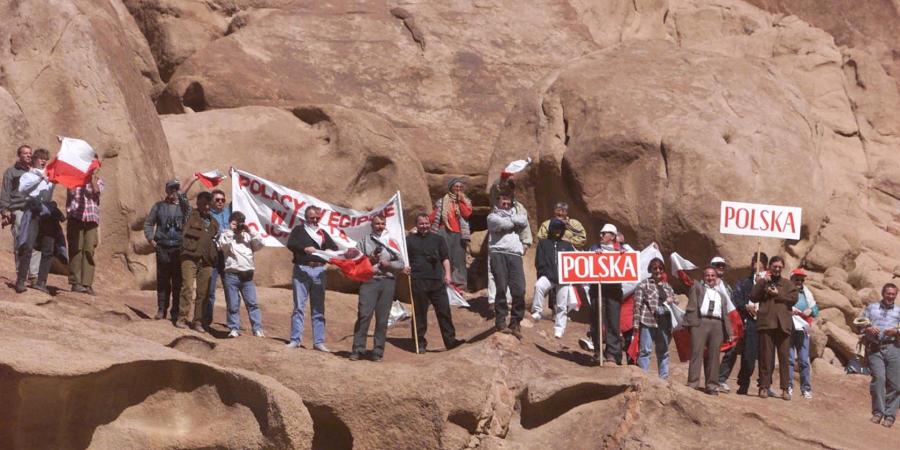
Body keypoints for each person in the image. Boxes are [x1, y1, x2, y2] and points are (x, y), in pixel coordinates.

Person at [404, 213, 464, 353]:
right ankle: (419, 343)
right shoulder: (409, 240)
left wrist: (448, 274)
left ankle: (450, 341)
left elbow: (445, 258)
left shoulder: (438, 239)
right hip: (418, 280)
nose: (424, 226)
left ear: (430, 224)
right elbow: (403, 258)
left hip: (437, 280)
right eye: (421, 224)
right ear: (416, 225)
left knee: (444, 311)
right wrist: (404, 268)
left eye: (426, 223)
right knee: (419, 313)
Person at [350, 214, 404, 361]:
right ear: (371, 225)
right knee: (364, 315)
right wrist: (370, 257)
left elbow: (401, 264)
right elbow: (354, 260)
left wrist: (390, 265)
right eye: (377, 224)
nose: (380, 226)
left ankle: (377, 352)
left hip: (387, 281)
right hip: (369, 281)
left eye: (382, 223)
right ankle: (358, 349)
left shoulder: (391, 242)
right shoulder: (364, 241)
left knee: (382, 319)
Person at [286, 206, 338, 351]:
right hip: (302, 269)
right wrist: (304, 249)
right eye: (312, 218)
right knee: (299, 307)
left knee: (318, 307)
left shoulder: (322, 233)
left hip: (319, 270)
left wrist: (327, 252)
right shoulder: (299, 230)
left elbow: (333, 249)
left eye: (317, 218)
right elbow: (291, 244)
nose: (314, 220)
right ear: (306, 217)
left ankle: (319, 341)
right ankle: (295, 340)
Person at [14, 149, 64, 294]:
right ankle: (21, 281)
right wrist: (40, 178)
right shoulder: (28, 175)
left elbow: (60, 167)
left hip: (47, 213)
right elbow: (23, 189)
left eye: (45, 159)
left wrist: (63, 148)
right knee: (27, 245)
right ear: (34, 159)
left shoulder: (50, 176)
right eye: (41, 158)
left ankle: (41, 282)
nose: (43, 161)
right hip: (33, 211)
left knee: (48, 249)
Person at [719, 252, 768, 395]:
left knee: (757, 357)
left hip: (760, 324)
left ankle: (754, 384)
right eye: (754, 261)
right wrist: (746, 306)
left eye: (759, 262)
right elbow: (736, 299)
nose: (756, 265)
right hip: (744, 322)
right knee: (739, 354)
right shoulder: (743, 283)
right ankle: (731, 381)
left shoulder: (769, 283)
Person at [144, 179, 193, 320]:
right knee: (163, 281)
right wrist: (151, 239)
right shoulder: (159, 207)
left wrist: (192, 179)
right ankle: (161, 310)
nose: (174, 192)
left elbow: (189, 215)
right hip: (162, 248)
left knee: (178, 281)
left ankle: (175, 311)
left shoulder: (184, 208)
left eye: (176, 189)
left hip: (178, 248)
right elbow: (148, 223)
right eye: (171, 189)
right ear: (166, 191)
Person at [751, 256, 798, 400]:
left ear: (782, 268)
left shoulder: (788, 284)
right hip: (766, 323)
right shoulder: (763, 281)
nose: (777, 269)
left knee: (784, 358)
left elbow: (793, 299)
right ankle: (764, 387)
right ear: (770, 267)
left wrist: (779, 295)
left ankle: (785, 389)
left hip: (783, 325)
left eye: (779, 267)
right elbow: (753, 297)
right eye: (774, 266)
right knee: (766, 357)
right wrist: (761, 283)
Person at [685, 267, 735, 395]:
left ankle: (712, 385)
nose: (710, 278)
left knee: (714, 356)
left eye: (713, 276)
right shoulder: (698, 288)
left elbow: (725, 315)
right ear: (703, 277)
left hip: (717, 324)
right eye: (707, 275)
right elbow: (688, 280)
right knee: (697, 353)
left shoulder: (722, 296)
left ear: (717, 278)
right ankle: (693, 383)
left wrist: (730, 332)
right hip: (700, 322)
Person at [857, 283, 900, 428]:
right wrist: (868, 328)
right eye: (888, 293)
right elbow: (858, 322)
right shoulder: (871, 308)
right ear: (883, 293)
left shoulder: (899, 311)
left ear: (896, 295)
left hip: (894, 348)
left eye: (893, 294)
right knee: (879, 379)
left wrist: (896, 332)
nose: (890, 296)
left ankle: (890, 415)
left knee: (895, 384)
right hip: (875, 348)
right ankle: (878, 413)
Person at [487, 193, 529, 339]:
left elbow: (523, 220)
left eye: (508, 203)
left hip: (515, 255)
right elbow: (502, 224)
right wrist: (514, 222)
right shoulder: (492, 217)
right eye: (503, 203)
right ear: (498, 203)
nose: (506, 205)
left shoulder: (518, 213)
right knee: (501, 288)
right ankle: (500, 321)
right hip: (498, 253)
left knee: (519, 289)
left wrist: (513, 220)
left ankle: (516, 322)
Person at [176, 191, 219, 332]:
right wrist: (194, 178)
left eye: (209, 204)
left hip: (207, 261)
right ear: (199, 204)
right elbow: (182, 197)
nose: (206, 207)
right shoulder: (190, 214)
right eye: (204, 204)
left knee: (203, 293)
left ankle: (198, 321)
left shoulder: (214, 223)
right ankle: (182, 318)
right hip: (190, 257)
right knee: (187, 287)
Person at [218, 211, 264, 338]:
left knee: (252, 303)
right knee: (233, 304)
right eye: (235, 223)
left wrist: (249, 230)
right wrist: (231, 232)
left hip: (247, 276)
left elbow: (260, 245)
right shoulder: (226, 234)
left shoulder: (248, 236)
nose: (238, 226)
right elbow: (223, 247)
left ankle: (257, 329)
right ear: (230, 223)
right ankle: (234, 328)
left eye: (240, 223)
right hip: (231, 275)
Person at [487, 177, 532, 304]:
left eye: (510, 187)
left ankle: (508, 302)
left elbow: (525, 223)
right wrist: (501, 181)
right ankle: (492, 301)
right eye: (506, 187)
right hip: (497, 244)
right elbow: (493, 191)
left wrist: (526, 243)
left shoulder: (519, 207)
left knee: (513, 277)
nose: (508, 190)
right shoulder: (496, 202)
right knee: (494, 274)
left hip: (513, 245)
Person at [531, 219, 577, 338]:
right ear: (551, 229)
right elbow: (539, 261)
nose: (557, 231)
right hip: (549, 276)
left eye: (560, 229)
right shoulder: (543, 243)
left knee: (562, 305)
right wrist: (544, 273)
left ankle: (559, 328)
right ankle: (537, 311)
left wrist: (569, 277)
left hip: (564, 278)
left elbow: (573, 261)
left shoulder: (567, 245)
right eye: (555, 228)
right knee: (539, 286)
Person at [588, 224, 626, 364]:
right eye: (601, 233)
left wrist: (624, 256)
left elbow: (635, 261)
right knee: (597, 321)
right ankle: (598, 352)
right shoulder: (594, 248)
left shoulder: (622, 250)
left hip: (614, 290)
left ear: (613, 236)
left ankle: (613, 354)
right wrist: (593, 255)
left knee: (613, 322)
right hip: (597, 289)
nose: (601, 235)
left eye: (605, 233)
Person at [633, 258, 677, 379]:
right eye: (655, 268)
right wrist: (636, 325)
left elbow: (675, 302)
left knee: (663, 351)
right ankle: (643, 378)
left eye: (660, 268)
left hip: (664, 322)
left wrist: (672, 300)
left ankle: (664, 378)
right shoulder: (643, 284)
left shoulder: (667, 287)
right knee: (645, 351)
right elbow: (637, 305)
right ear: (650, 270)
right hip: (647, 320)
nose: (658, 270)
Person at [1, 145, 39, 282]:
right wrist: (5, 211)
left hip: (34, 209)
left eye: (30, 153)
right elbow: (5, 192)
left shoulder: (36, 171)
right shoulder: (11, 172)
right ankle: (21, 273)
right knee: (20, 240)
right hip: (18, 209)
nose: (29, 155)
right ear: (19, 155)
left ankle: (34, 275)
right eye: (25, 153)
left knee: (35, 241)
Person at [66, 158, 103, 295]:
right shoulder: (73, 178)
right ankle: (75, 282)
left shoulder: (98, 180)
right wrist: (76, 180)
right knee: (76, 249)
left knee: (88, 250)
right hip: (76, 217)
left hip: (91, 219)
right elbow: (70, 193)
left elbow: (97, 191)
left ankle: (87, 283)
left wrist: (91, 177)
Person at [430, 178, 472, 290]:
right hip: (443, 231)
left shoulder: (466, 201)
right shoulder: (442, 201)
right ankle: (443, 282)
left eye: (460, 187)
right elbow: (434, 216)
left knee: (459, 259)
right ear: (451, 187)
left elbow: (466, 214)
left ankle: (459, 284)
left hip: (459, 232)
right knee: (444, 257)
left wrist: (461, 201)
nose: (458, 189)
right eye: (456, 186)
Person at [787, 268, 817, 399]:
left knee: (804, 360)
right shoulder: (786, 291)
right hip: (788, 327)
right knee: (788, 359)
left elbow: (816, 309)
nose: (799, 282)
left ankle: (806, 388)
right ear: (791, 279)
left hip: (802, 328)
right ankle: (787, 386)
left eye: (801, 280)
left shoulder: (807, 293)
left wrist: (810, 310)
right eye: (796, 279)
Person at [207, 189, 231, 326]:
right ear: (211, 201)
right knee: (209, 290)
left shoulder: (229, 212)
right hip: (213, 256)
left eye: (222, 199)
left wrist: (235, 177)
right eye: (217, 200)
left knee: (230, 289)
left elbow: (242, 196)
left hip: (227, 257)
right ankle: (207, 319)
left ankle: (232, 322)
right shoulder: (207, 215)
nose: (221, 202)